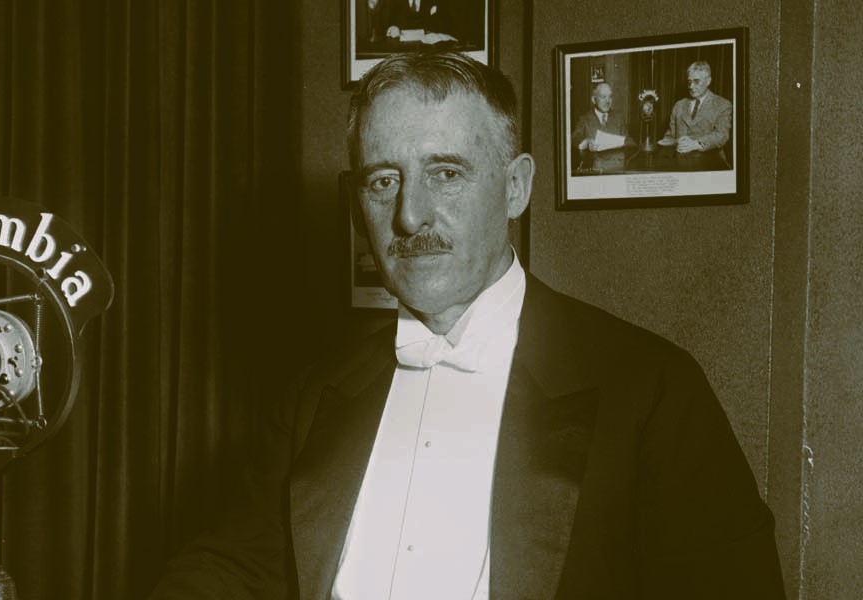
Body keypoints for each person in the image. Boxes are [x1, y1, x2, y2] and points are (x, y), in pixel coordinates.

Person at [149, 51, 783, 599]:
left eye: (445, 174)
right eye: (383, 181)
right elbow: (232, 566)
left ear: (515, 187)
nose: (409, 215)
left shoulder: (650, 389)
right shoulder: (316, 395)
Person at [658, 60, 732, 155]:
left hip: (710, 161)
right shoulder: (679, 105)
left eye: (696, 81)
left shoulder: (722, 104)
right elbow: (670, 135)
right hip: (680, 159)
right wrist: (665, 142)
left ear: (708, 81)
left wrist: (696, 143)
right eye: (689, 82)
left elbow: (722, 135)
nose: (691, 86)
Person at [572, 82, 627, 153]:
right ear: (594, 100)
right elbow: (575, 138)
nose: (607, 101)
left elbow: (628, 140)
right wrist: (587, 143)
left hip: (616, 162)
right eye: (603, 97)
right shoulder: (584, 119)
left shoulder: (619, 118)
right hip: (594, 162)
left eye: (610, 96)